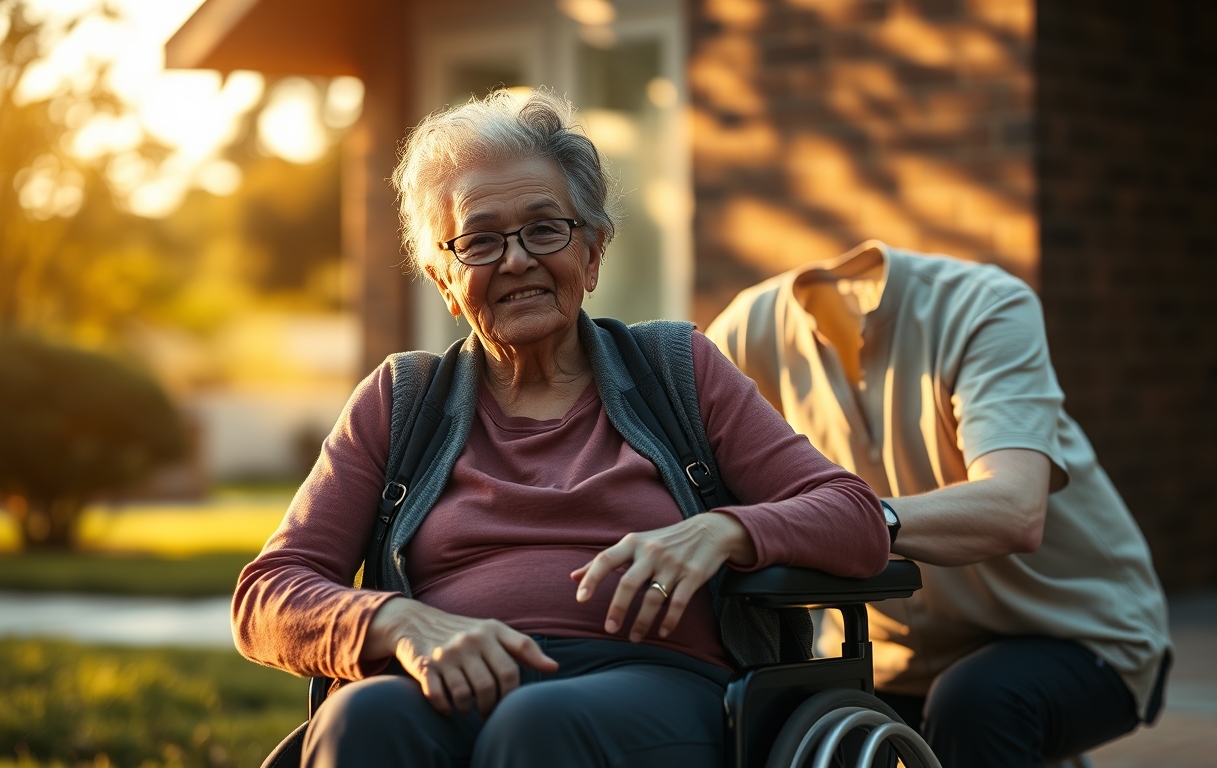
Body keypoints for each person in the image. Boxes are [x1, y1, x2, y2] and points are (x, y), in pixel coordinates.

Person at [231, 90, 890, 768]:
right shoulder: (400, 401)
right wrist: (398, 622)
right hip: (445, 683)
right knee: (365, 714)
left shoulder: (676, 369)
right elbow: (267, 595)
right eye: (480, 240)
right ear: (444, 279)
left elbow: (856, 519)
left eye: (545, 229)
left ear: (594, 252)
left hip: (653, 689)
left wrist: (724, 531)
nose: (516, 260)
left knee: (538, 722)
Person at [707, 241, 1173, 768]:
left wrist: (846, 520)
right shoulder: (748, 330)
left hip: (1079, 635)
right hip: (891, 660)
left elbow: (1015, 509)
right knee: (758, 715)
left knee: (978, 702)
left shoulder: (984, 305)